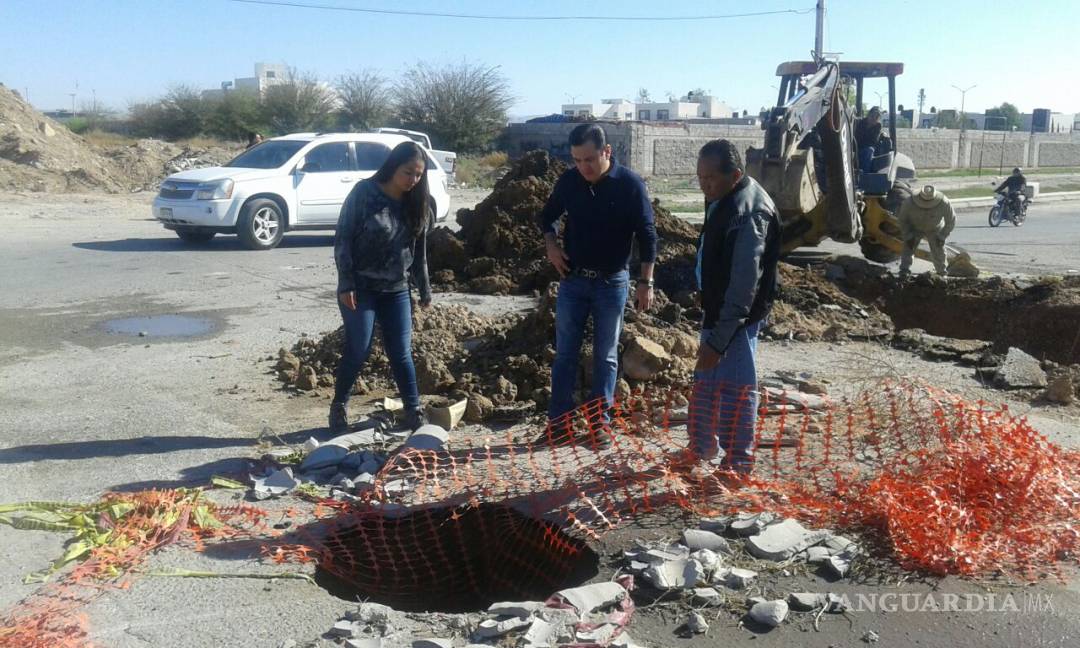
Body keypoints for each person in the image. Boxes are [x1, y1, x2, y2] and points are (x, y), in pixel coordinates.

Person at [538, 123, 658, 442]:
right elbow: (547, 216)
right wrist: (552, 247)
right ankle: (559, 424)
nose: (583, 167)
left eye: (589, 159)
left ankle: (598, 424)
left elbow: (647, 235)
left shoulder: (629, 185)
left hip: (612, 284)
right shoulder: (570, 182)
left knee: (605, 354)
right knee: (565, 353)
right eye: (576, 160)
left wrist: (646, 282)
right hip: (573, 281)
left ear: (607, 152)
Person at [687, 139, 781, 475]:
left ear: (735, 174)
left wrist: (719, 339)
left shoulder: (750, 212)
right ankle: (700, 449)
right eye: (700, 178)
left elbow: (744, 285)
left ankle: (738, 464)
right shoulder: (722, 196)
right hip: (718, 311)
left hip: (735, 320)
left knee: (737, 393)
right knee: (706, 385)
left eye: (710, 178)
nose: (704, 185)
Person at [330, 141, 433, 435]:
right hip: (360, 288)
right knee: (358, 347)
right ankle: (339, 405)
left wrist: (424, 289)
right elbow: (343, 239)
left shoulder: (418, 203)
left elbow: (420, 251)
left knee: (401, 351)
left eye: (418, 175)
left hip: (397, 289)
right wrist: (345, 282)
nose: (412, 180)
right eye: (407, 172)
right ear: (392, 167)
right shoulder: (365, 193)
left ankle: (413, 410)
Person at [897, 185, 955, 276]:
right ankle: (904, 271)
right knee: (908, 247)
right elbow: (902, 220)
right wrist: (908, 235)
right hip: (915, 227)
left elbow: (951, 221)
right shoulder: (909, 202)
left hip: (935, 229)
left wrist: (942, 236)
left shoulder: (944, 202)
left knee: (938, 250)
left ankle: (942, 273)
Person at [854, 106, 883, 172]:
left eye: (876, 117)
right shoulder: (861, 122)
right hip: (857, 146)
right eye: (872, 115)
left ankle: (864, 174)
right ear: (868, 115)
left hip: (867, 147)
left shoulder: (878, 126)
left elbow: (873, 141)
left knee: (868, 151)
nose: (873, 118)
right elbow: (857, 136)